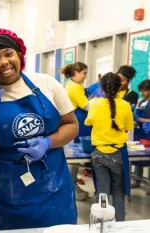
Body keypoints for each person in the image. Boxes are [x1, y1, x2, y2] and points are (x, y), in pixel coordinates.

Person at [0, 28, 79, 231]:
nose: (3, 62)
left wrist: (48, 142)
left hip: (53, 185)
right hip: (7, 190)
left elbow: (72, 125)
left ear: (19, 55)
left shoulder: (46, 84)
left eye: (9, 54)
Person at [85, 72, 133, 221]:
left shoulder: (95, 104)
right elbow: (127, 127)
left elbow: (89, 122)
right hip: (118, 152)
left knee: (102, 190)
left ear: (102, 88)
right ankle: (119, 225)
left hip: (99, 153)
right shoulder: (125, 105)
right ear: (120, 88)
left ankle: (102, 224)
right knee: (118, 190)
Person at [62, 62, 91, 201]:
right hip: (79, 121)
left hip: (78, 120)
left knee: (75, 156)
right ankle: (72, 187)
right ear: (76, 73)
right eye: (84, 73)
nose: (85, 76)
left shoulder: (72, 84)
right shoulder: (74, 87)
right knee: (76, 156)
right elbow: (86, 106)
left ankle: (73, 185)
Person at [132, 80, 150, 189]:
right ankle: (137, 180)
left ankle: (148, 184)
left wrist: (139, 119)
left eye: (144, 90)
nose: (141, 93)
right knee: (138, 158)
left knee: (148, 157)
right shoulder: (142, 101)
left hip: (147, 132)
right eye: (141, 91)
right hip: (139, 133)